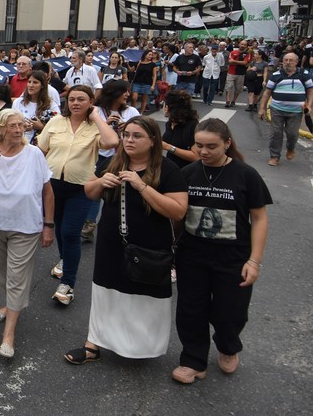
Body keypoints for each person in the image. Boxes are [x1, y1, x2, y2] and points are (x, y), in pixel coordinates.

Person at [64, 116, 187, 366]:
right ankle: (94, 344)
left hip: (150, 243)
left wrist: (142, 187)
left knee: (143, 296)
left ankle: (139, 347)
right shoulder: (113, 162)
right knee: (106, 291)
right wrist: (100, 182)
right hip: (112, 241)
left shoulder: (168, 169)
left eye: (137, 136)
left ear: (153, 141)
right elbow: (89, 190)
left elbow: (178, 210)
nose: (129, 140)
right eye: (127, 135)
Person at [172, 119, 271, 384]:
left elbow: (259, 219)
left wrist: (255, 260)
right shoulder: (189, 173)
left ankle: (228, 346)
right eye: (199, 145)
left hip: (234, 258)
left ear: (227, 144)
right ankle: (193, 360)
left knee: (231, 311)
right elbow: (177, 215)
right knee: (191, 309)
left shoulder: (245, 174)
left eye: (212, 146)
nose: (204, 152)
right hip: (192, 255)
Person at [0, 110, 55, 359]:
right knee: (3, 274)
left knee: (17, 277)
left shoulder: (34, 154)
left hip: (26, 226)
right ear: (1, 129)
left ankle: (9, 335)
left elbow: (47, 191)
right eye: (13, 126)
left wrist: (48, 225)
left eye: (21, 125)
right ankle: (9, 305)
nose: (19, 130)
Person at [37, 85, 119, 305]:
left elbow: (112, 142)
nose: (75, 103)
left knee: (71, 233)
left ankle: (68, 283)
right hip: (52, 186)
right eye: (72, 99)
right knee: (61, 231)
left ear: (91, 102)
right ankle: (65, 259)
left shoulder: (95, 127)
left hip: (81, 188)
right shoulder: (55, 122)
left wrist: (96, 117)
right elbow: (41, 150)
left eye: (81, 99)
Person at [81, 79, 139, 243]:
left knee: (116, 191)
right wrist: (105, 124)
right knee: (96, 187)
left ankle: (121, 227)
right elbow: (86, 133)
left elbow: (140, 130)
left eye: (128, 91)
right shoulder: (96, 111)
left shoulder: (131, 111)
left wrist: (125, 128)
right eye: (124, 91)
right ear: (114, 93)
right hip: (98, 155)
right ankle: (89, 224)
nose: (127, 94)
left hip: (120, 156)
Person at [258, 51, 313, 166]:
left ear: (296, 62)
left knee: (292, 134)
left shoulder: (304, 74)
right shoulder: (276, 75)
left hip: (296, 111)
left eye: (291, 60)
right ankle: (274, 156)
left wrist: (309, 105)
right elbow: (267, 93)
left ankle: (290, 148)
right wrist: (262, 108)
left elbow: (310, 91)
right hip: (277, 109)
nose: (288, 63)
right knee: (276, 133)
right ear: (282, 62)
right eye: (285, 60)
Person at [11, 70, 60, 145]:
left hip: (41, 146)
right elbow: (10, 123)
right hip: (19, 144)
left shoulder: (51, 105)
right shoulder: (18, 102)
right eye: (29, 82)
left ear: (42, 85)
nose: (31, 85)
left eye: (35, 82)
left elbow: (58, 128)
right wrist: (22, 126)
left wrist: (41, 127)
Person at [161, 89, 199, 168]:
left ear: (167, 107)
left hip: (186, 171)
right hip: (171, 169)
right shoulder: (170, 123)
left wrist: (169, 147)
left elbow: (196, 157)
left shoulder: (192, 125)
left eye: (163, 105)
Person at [130, 50, 158, 114]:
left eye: (151, 55)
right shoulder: (139, 62)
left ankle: (141, 113)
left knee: (144, 99)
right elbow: (132, 70)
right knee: (134, 98)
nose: (151, 56)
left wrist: (153, 85)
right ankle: (133, 112)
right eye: (149, 54)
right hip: (137, 82)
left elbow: (154, 75)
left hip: (147, 83)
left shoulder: (153, 64)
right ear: (145, 55)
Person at [225, 40, 251, 108]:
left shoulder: (247, 54)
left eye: (244, 45)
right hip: (231, 73)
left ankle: (233, 101)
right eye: (241, 44)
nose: (242, 46)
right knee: (229, 87)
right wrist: (240, 62)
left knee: (238, 89)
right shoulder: (233, 52)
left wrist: (234, 61)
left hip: (241, 74)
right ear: (239, 44)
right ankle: (227, 101)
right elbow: (230, 61)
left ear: (246, 46)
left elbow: (245, 63)